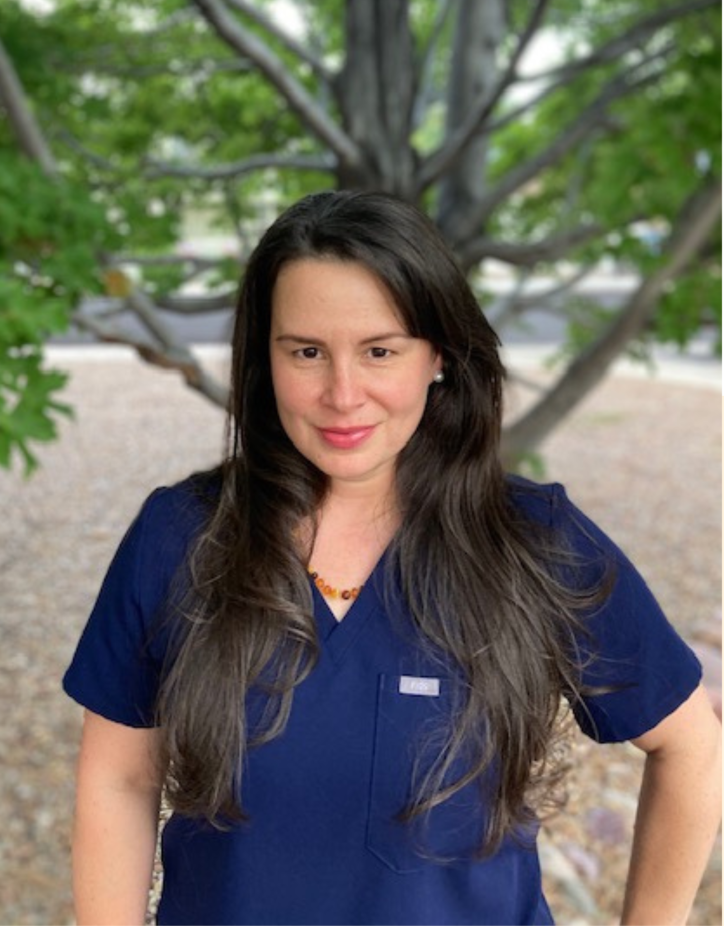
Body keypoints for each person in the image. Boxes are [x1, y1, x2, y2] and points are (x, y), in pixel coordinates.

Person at [63, 190, 721, 926]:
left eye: (380, 351)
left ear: (438, 356)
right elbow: (121, 778)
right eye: (307, 352)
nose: (343, 394)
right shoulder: (182, 536)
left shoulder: (535, 539)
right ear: (264, 360)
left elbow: (693, 748)